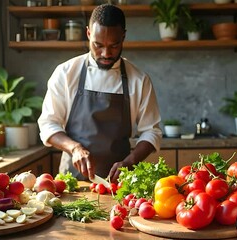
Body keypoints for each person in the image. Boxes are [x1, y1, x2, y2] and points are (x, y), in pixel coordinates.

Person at [38, 4, 162, 183]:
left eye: (114, 45)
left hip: (119, 183)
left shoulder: (139, 80)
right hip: (72, 181)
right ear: (88, 34)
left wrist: (130, 161)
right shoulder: (66, 73)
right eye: (98, 45)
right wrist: (75, 148)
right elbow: (48, 124)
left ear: (123, 37)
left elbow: (151, 132)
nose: (106, 53)